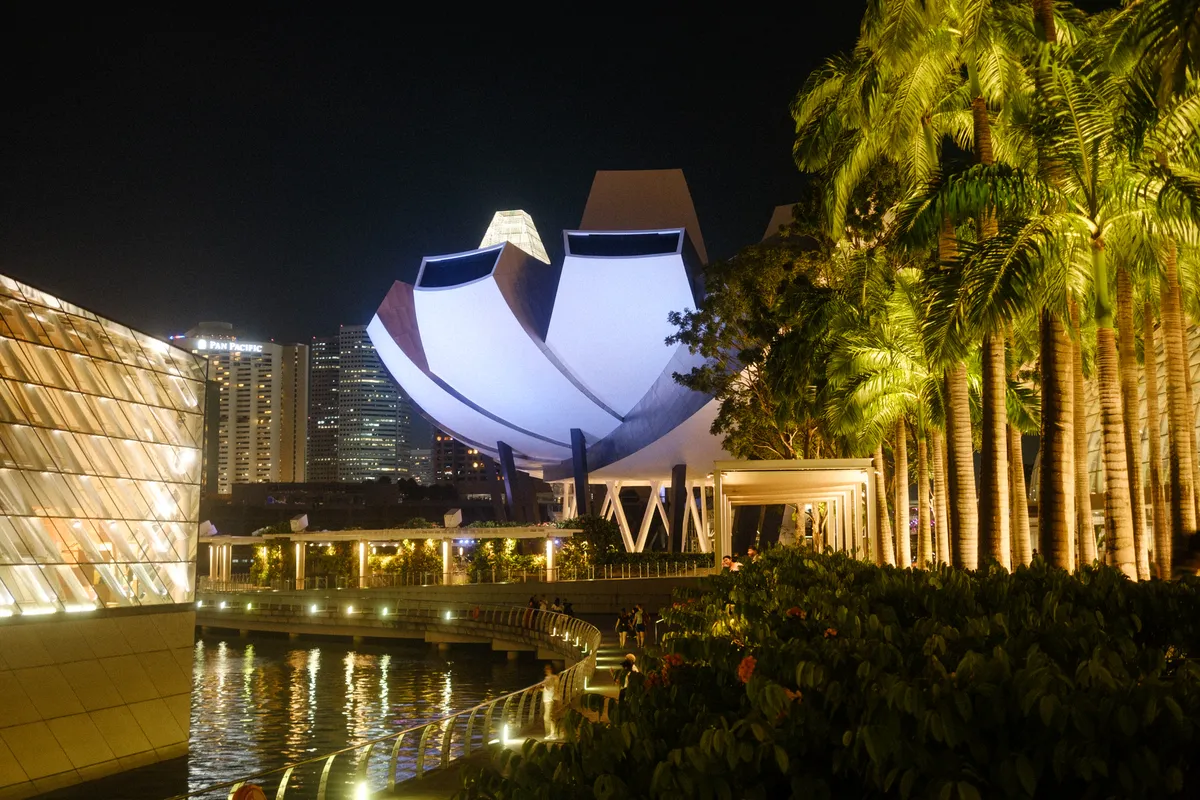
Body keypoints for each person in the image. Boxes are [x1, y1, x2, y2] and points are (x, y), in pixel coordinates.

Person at [541, 663, 559, 740]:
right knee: (549, 717)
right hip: (547, 699)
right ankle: (551, 733)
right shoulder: (548, 678)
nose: (546, 670)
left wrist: (545, 684)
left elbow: (551, 687)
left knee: (548, 717)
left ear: (551, 669)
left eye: (547, 668)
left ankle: (552, 734)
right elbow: (545, 688)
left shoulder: (553, 677)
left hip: (550, 699)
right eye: (546, 669)